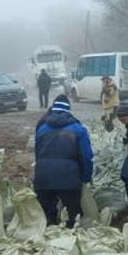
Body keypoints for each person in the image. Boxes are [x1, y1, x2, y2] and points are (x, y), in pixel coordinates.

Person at [34, 96, 94, 228]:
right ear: (68, 110)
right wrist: (85, 178)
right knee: (73, 216)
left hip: (43, 177)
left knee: (46, 217)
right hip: (68, 178)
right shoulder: (78, 129)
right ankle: (69, 242)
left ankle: (46, 243)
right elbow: (86, 156)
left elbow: (37, 154)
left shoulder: (42, 128)